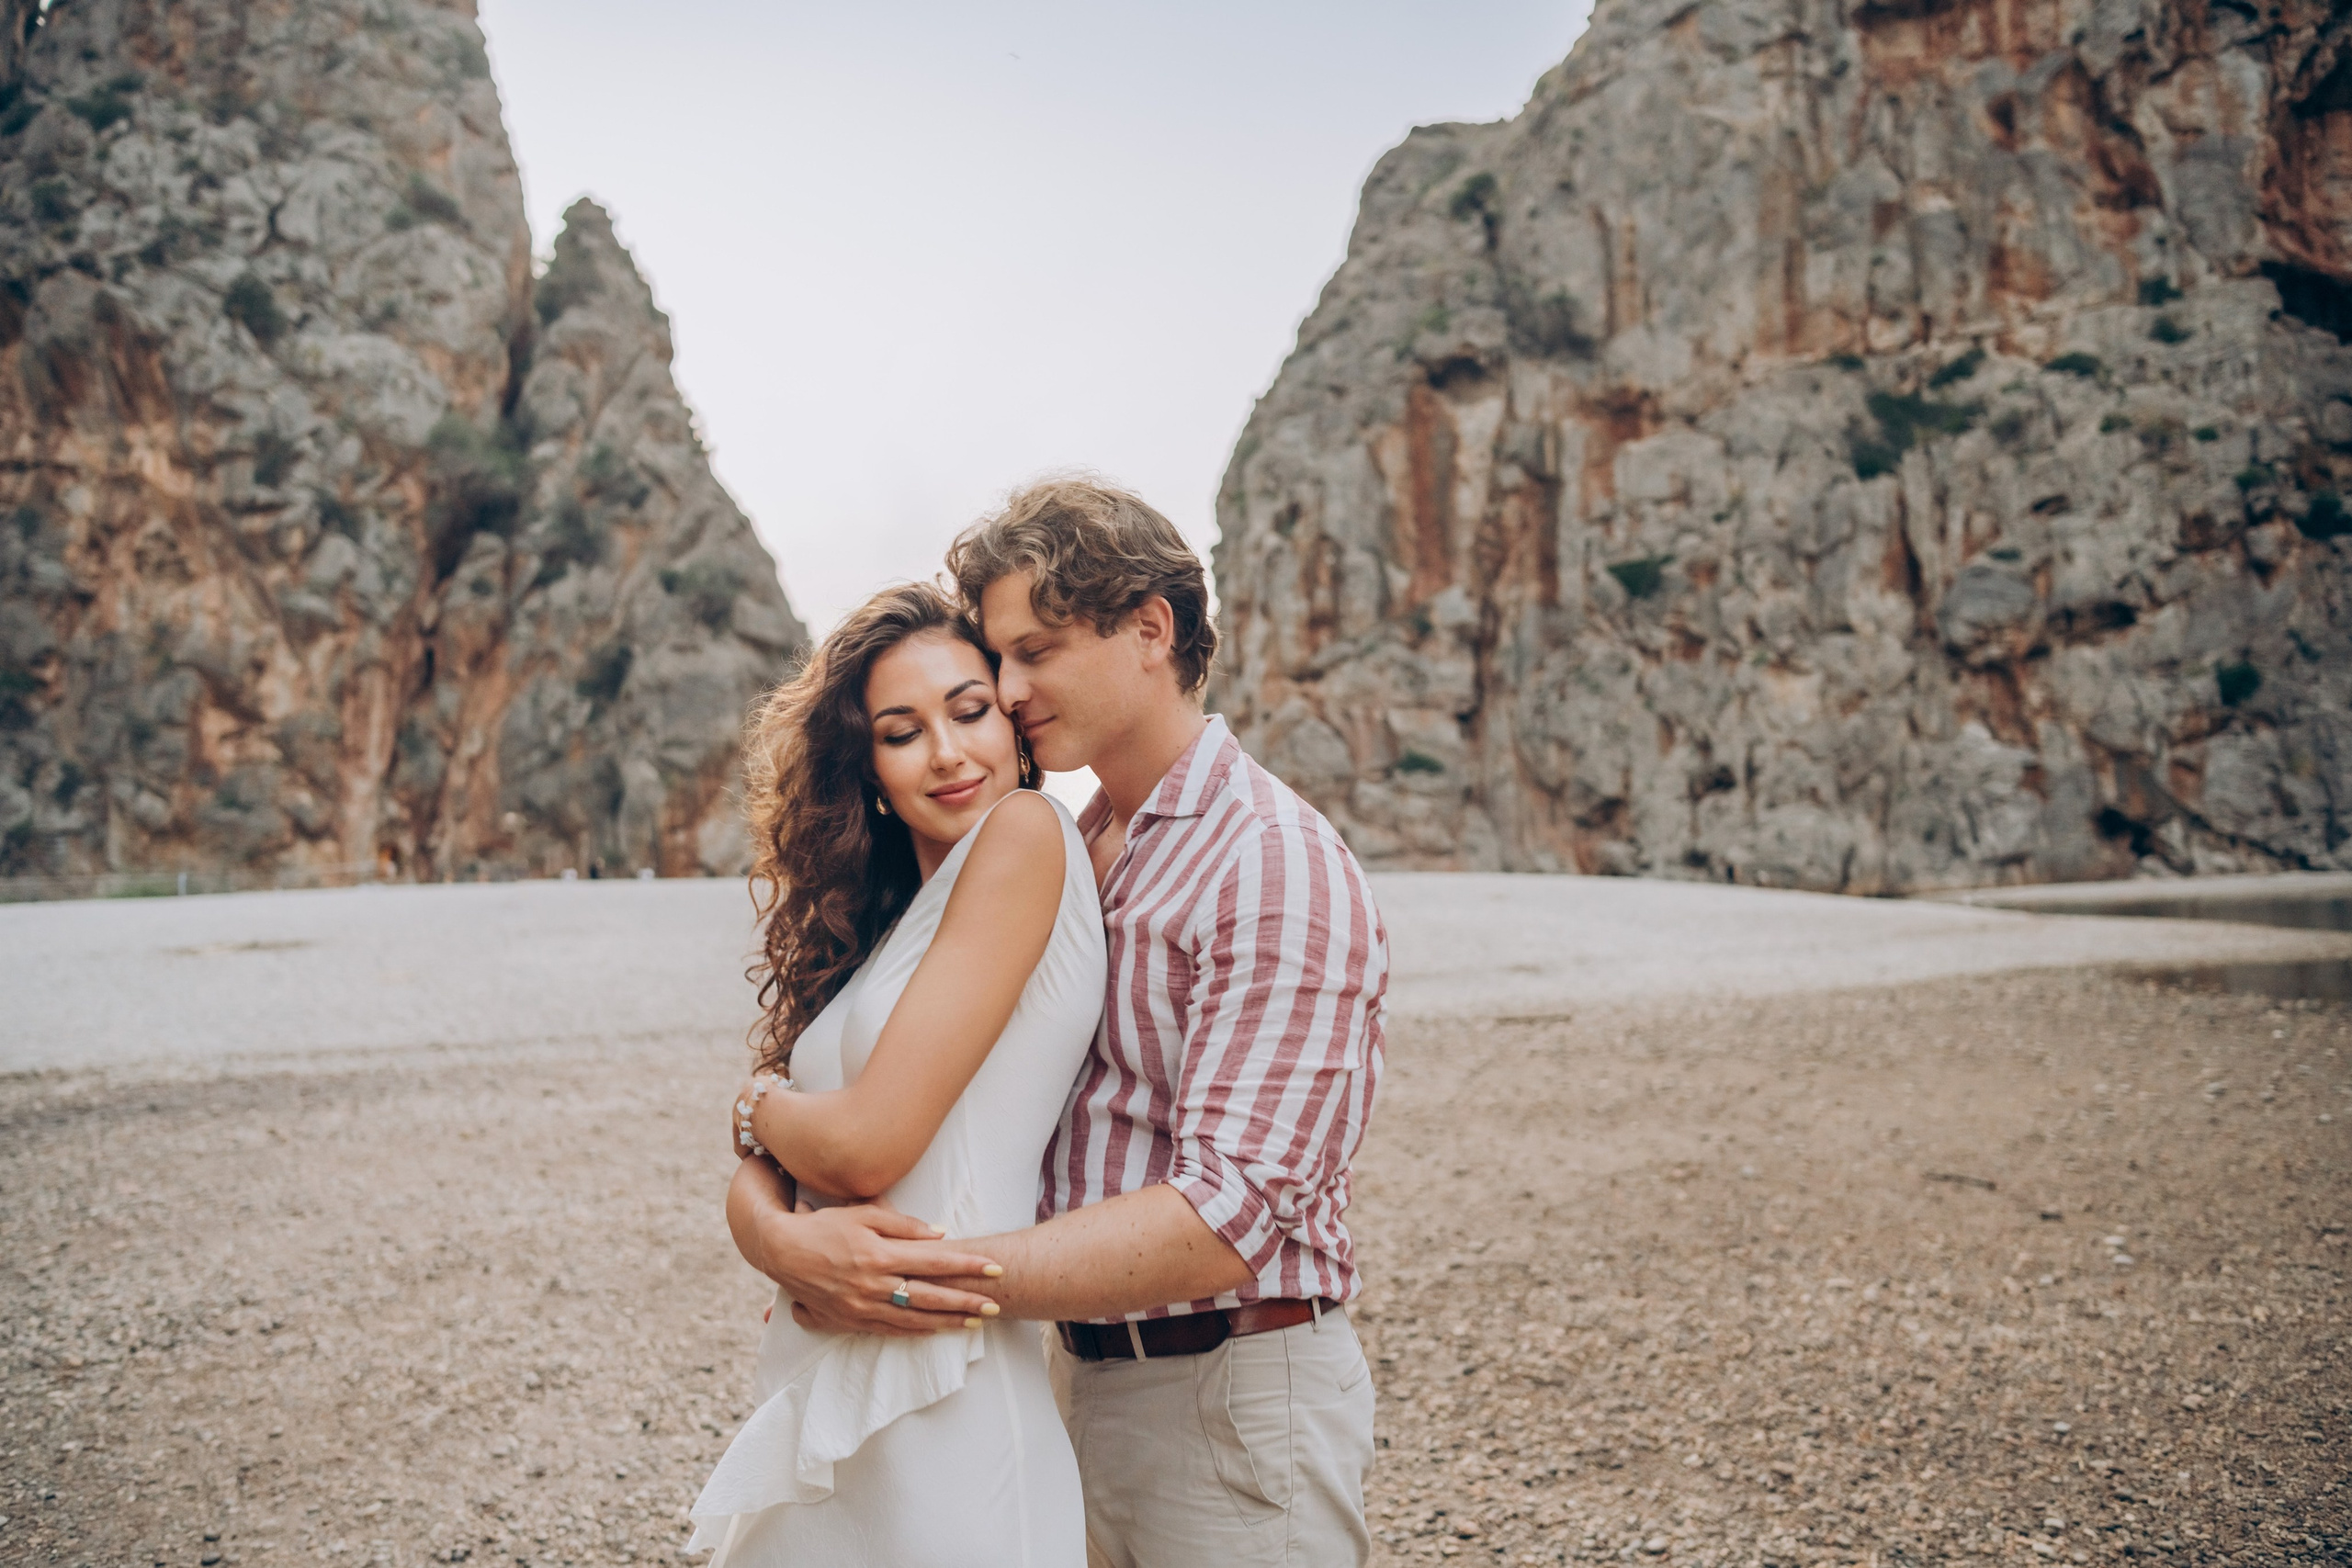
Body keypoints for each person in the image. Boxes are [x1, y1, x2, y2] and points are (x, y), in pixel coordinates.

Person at [728, 477, 1391, 1567]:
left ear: (1149, 629)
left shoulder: (1267, 858)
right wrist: (795, 1240)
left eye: (1034, 651)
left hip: (1228, 1389)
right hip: (1070, 1367)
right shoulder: (1080, 841)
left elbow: (1225, 1219)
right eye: (1003, 659)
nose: (1011, 685)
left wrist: (903, 1284)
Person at [687, 582, 1105, 1566]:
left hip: (946, 1395)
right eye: (902, 732)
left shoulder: (1026, 835)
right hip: (836, 1355)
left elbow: (867, 1142)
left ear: (1015, 727)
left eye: (969, 713)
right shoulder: (888, 934)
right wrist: (772, 1237)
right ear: (869, 772)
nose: (949, 754)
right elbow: (787, 1159)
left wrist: (749, 1106)